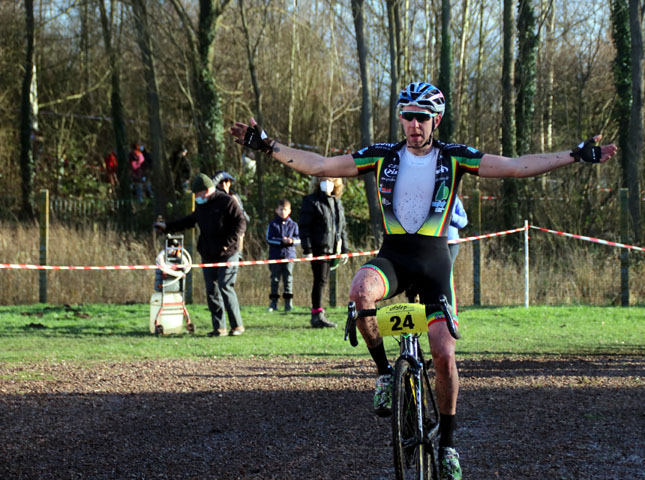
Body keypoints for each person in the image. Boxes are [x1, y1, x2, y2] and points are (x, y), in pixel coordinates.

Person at [230, 81, 617, 479]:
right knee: (359, 292)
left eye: (422, 117)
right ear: (400, 117)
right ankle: (384, 374)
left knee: (443, 354)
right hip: (394, 256)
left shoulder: (455, 157)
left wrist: (574, 155)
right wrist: (267, 144)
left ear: (437, 120)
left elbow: (517, 166)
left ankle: (448, 443)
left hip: (434, 264)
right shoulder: (382, 155)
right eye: (408, 116)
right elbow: (318, 165)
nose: (414, 125)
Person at [154, 173, 247, 337]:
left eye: (197, 194)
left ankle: (237, 326)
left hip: (228, 253)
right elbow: (190, 221)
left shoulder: (227, 201)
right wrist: (166, 227)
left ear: (207, 190)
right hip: (208, 253)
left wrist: (228, 242)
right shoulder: (201, 205)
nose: (196, 197)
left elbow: (241, 223)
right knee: (212, 290)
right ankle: (219, 328)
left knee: (225, 286)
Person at [297, 177, 350, 328]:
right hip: (318, 248)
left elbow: (342, 228)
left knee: (323, 280)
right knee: (319, 281)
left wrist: (345, 249)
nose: (327, 183)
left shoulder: (337, 202)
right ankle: (316, 314)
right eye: (323, 180)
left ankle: (318, 312)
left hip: (333, 249)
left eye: (330, 180)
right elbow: (304, 226)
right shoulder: (311, 201)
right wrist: (307, 249)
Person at [265, 198, 300, 312]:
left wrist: (291, 241)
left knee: (288, 280)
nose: (282, 212)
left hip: (289, 256)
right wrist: (281, 241)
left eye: (285, 210)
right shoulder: (272, 224)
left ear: (289, 211)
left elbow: (299, 239)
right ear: (276, 210)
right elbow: (269, 239)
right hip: (275, 256)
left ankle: (288, 303)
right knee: (274, 280)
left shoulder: (294, 225)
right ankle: (273, 303)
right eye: (280, 209)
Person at [212, 170, 251, 255]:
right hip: (219, 241)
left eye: (226, 181)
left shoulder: (234, 196)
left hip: (235, 241)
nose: (224, 184)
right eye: (221, 182)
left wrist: (237, 206)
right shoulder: (214, 196)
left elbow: (246, 219)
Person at [447, 195, 468, 266]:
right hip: (431, 242)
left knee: (446, 272)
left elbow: (464, 222)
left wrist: (452, 216)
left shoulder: (454, 198)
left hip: (451, 244)